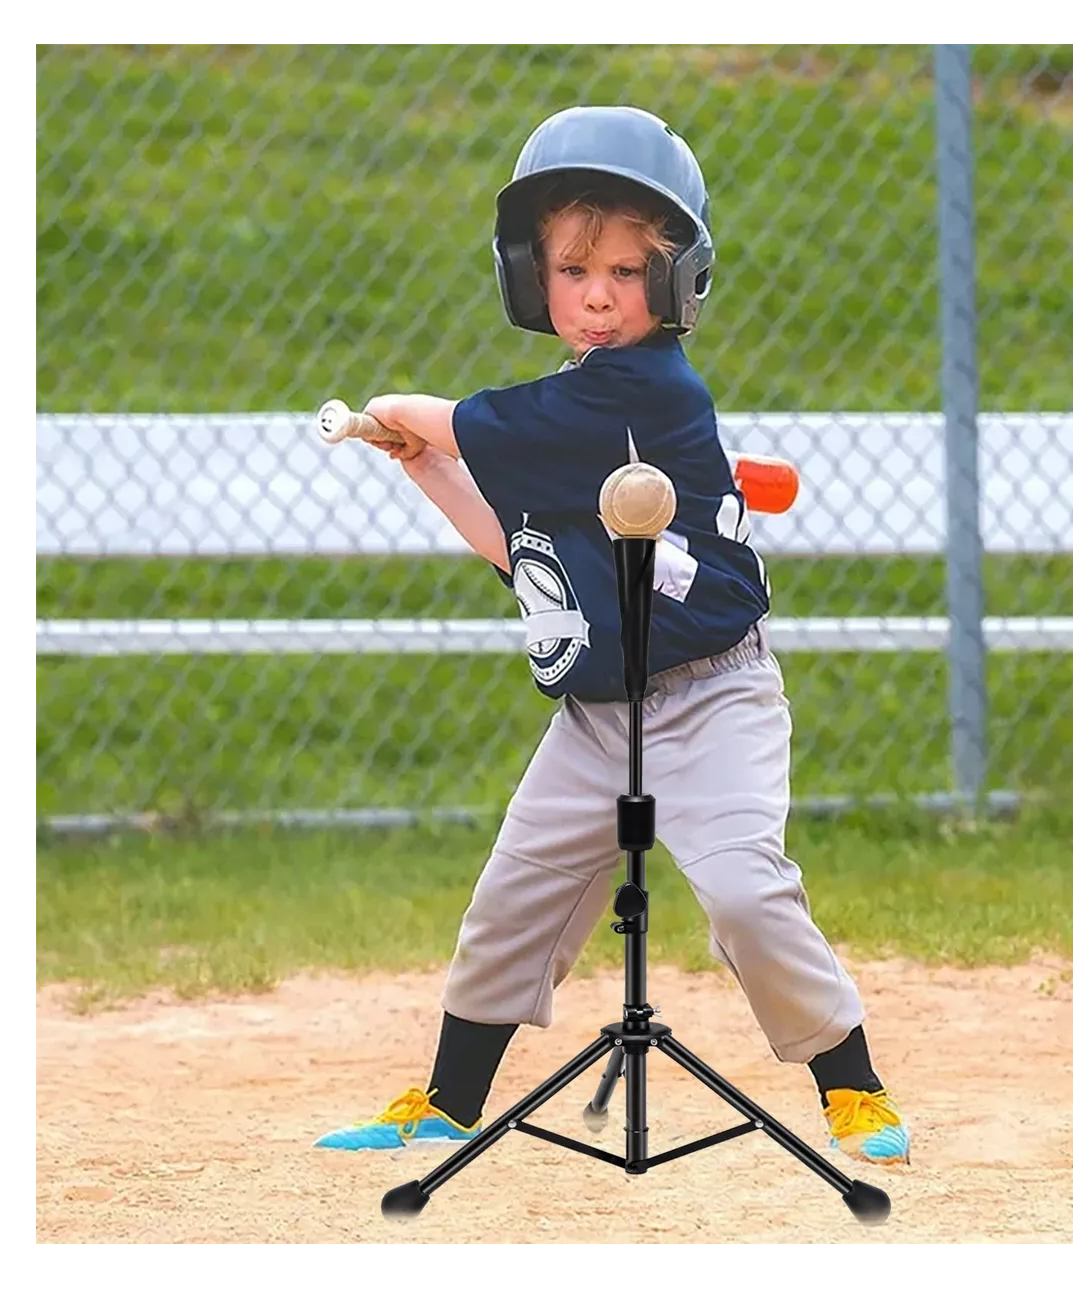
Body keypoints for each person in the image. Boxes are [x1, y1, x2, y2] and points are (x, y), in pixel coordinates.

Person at [314, 106, 911, 1167]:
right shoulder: (564, 412)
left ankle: (850, 1086)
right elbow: (518, 551)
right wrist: (423, 464)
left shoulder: (648, 390)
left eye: (628, 272)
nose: (596, 295)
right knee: (514, 893)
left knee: (740, 889)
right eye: (573, 268)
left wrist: (403, 409)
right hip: (598, 714)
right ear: (528, 278)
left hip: (710, 695)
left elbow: (483, 419)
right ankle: (448, 1098)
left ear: (676, 283)